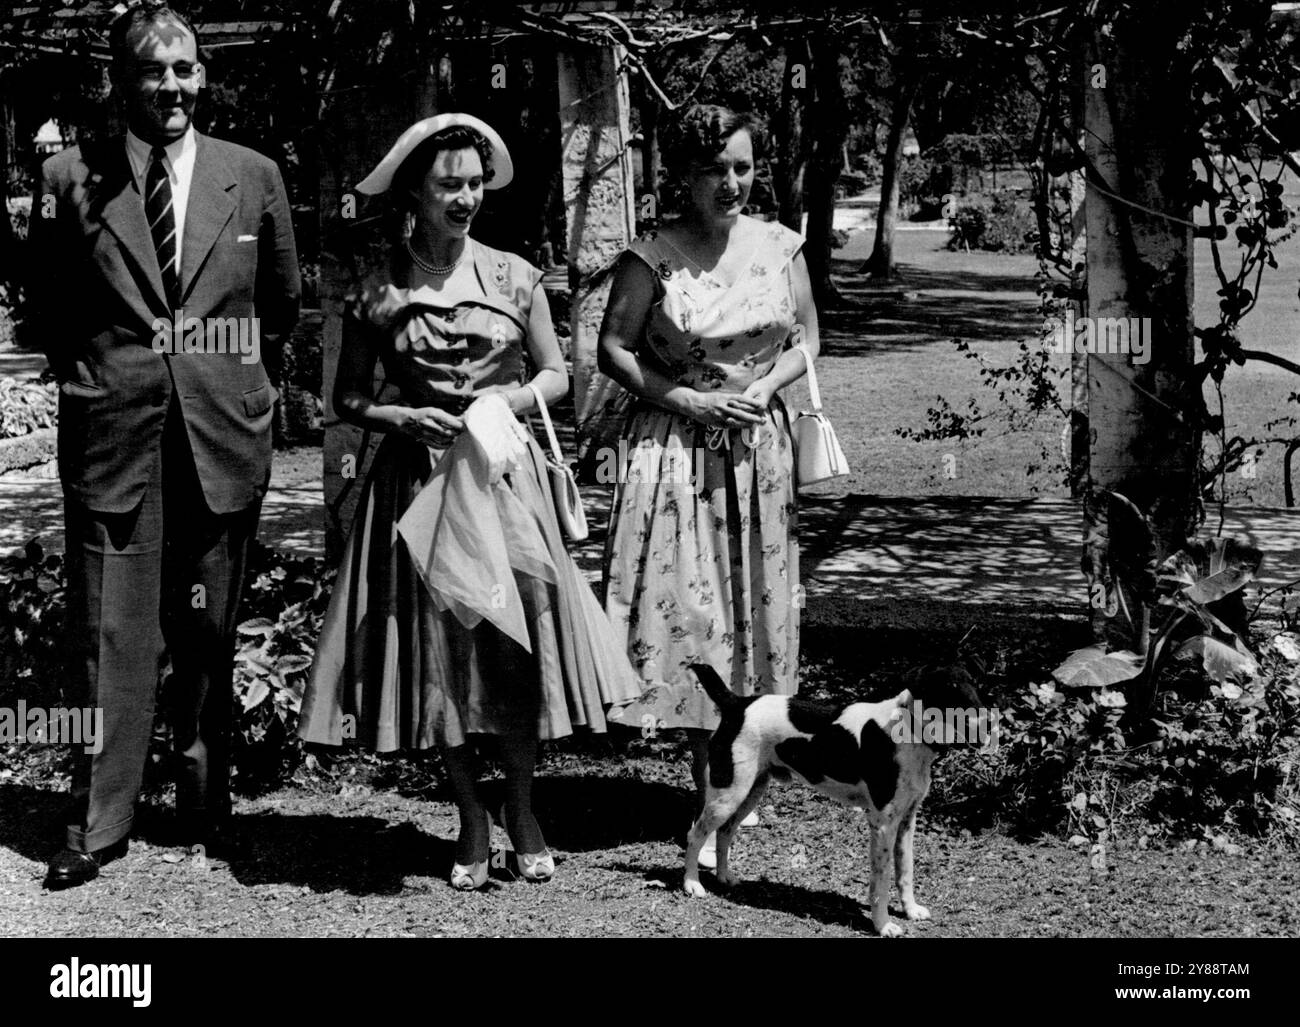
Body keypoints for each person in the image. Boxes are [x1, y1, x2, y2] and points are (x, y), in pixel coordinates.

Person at [297, 113, 640, 890]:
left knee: (514, 652)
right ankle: (470, 816)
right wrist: (399, 415)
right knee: (440, 658)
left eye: (474, 183)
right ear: (414, 190)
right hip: (417, 490)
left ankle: (522, 808)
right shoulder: (377, 286)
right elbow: (347, 396)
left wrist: (509, 401)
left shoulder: (516, 276)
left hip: (502, 484)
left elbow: (560, 375)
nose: (465, 197)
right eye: (449, 183)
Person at [27, 3, 301, 888]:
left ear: (202, 74)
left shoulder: (252, 176)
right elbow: (51, 310)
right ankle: (100, 823)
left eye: (186, 68)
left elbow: (280, 305)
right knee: (112, 632)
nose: (174, 86)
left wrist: (233, 382)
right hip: (119, 435)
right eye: (154, 70)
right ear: (121, 79)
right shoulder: (72, 177)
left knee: (211, 630)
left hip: (221, 432)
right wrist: (109, 379)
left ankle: (209, 807)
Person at [597, 104, 820, 864]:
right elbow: (613, 348)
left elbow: (807, 339)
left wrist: (767, 387)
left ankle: (746, 761)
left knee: (756, 596)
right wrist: (686, 397)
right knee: (695, 603)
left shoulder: (780, 243)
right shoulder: (651, 255)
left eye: (743, 167)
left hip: (759, 449)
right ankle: (705, 767)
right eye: (714, 169)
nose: (731, 183)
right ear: (683, 175)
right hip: (678, 450)